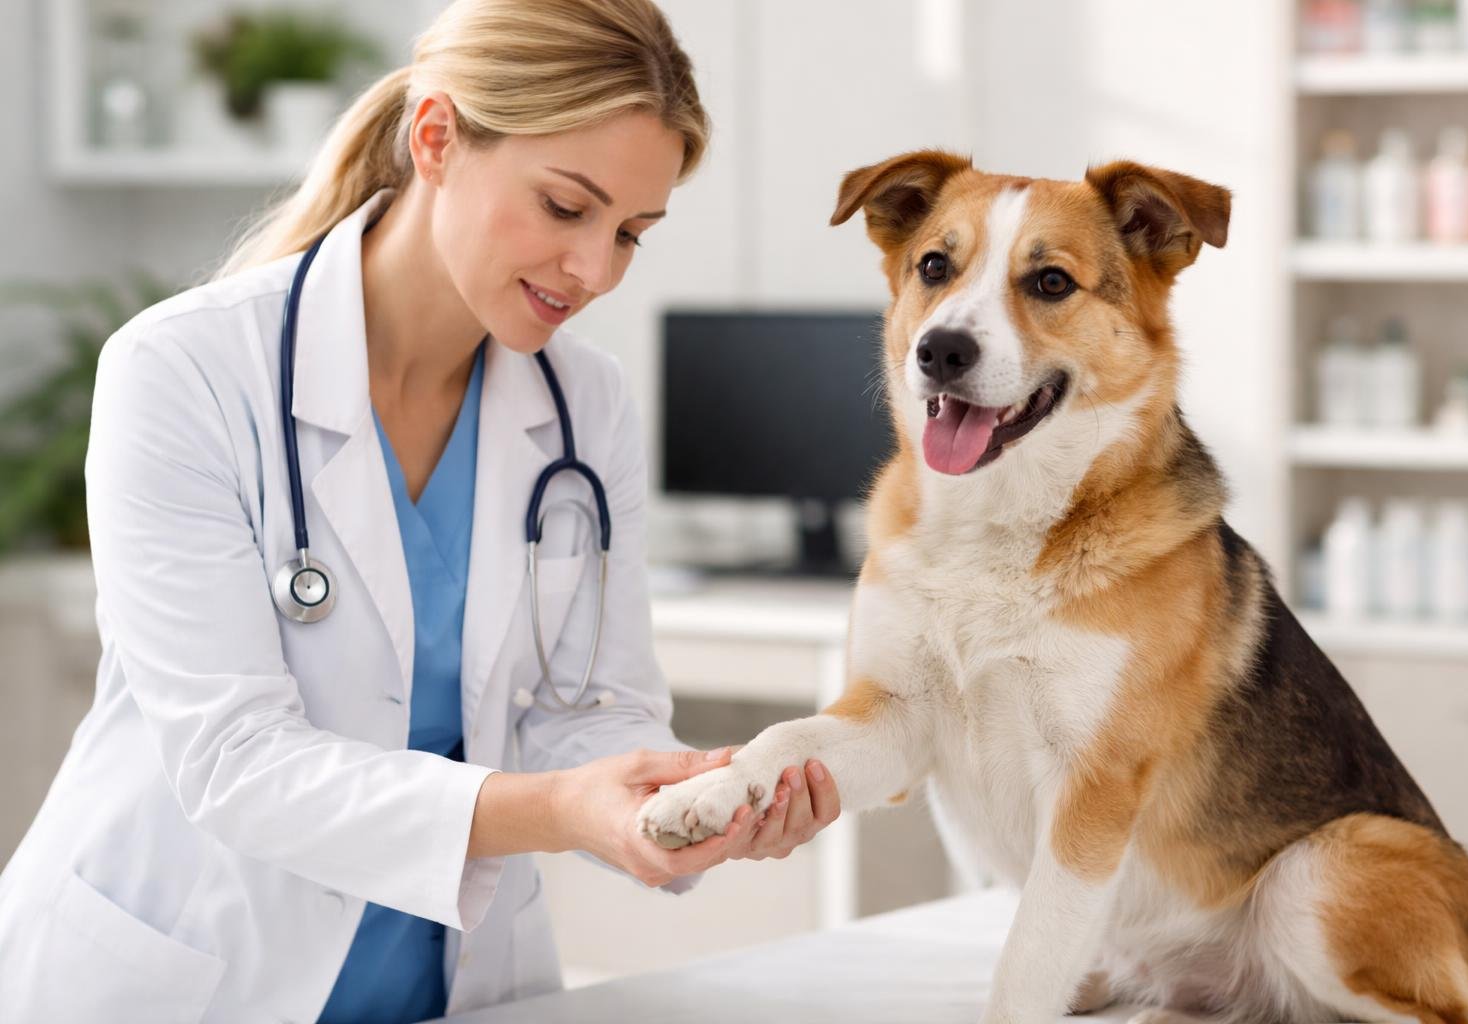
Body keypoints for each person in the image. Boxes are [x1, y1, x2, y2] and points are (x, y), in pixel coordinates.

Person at [0, 1, 840, 1021]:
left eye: (631, 232)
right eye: (566, 207)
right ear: (436, 137)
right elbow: (235, 762)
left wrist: (678, 803)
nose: (596, 270)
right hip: (189, 975)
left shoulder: (586, 406)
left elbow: (589, 709)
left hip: (447, 988)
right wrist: (561, 811)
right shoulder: (184, 370)